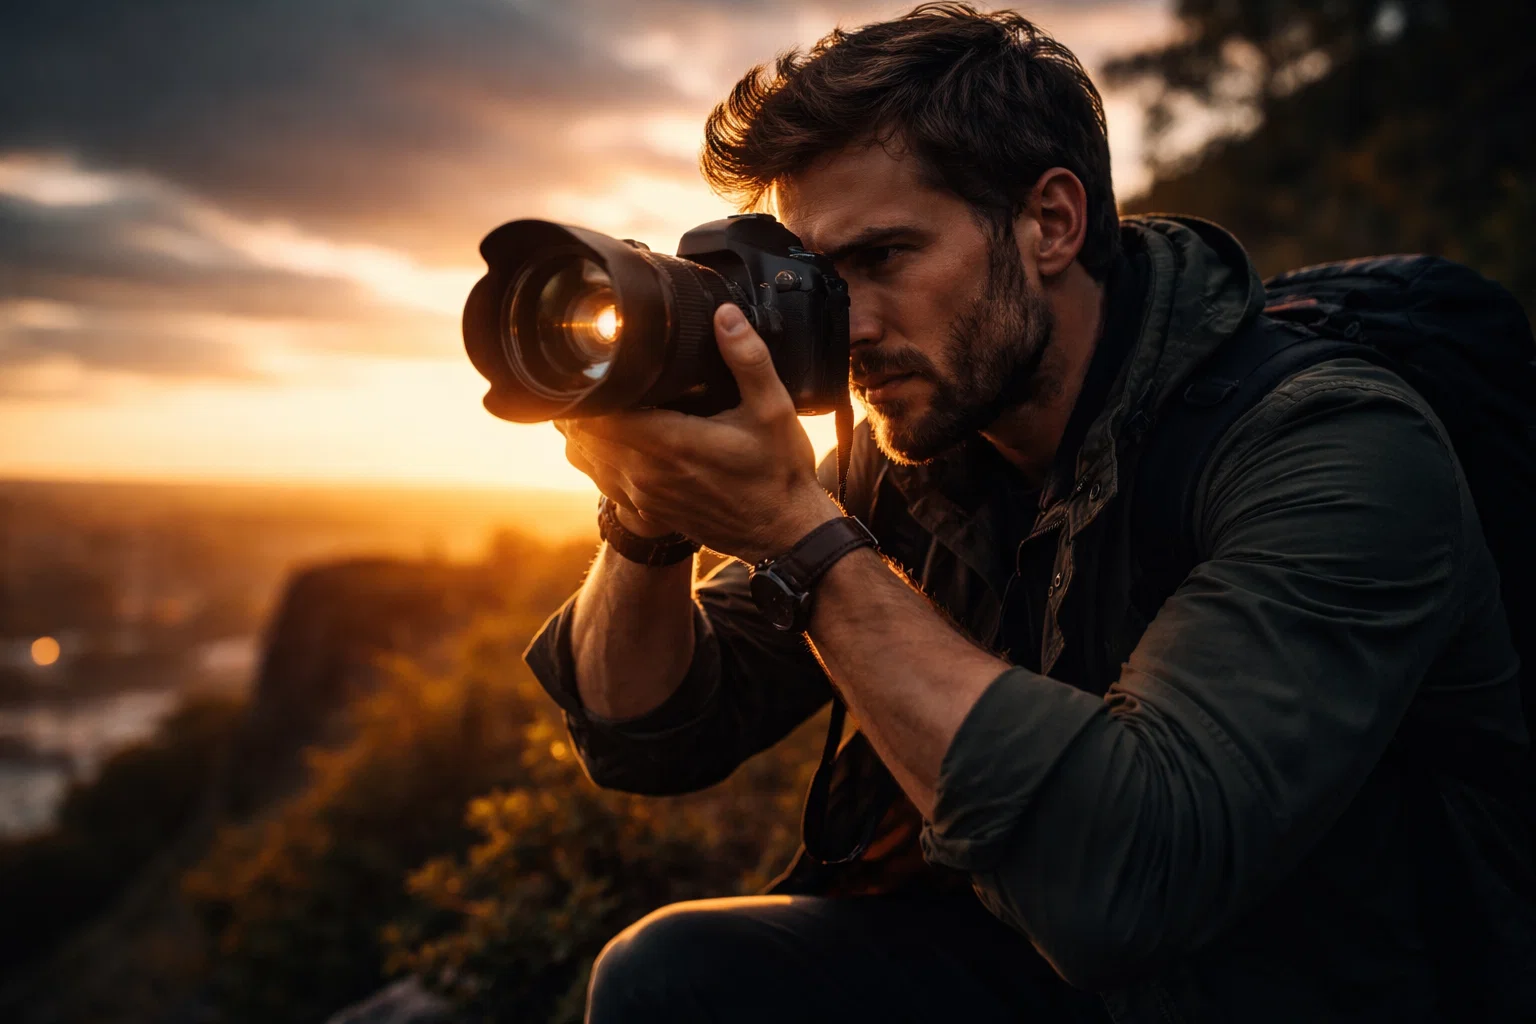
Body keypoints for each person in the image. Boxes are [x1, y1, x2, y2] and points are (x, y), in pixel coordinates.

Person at [526, 4, 1534, 1021]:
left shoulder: (1330, 446)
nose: (855, 327)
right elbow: (648, 731)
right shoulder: (916, 447)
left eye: (884, 259)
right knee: (675, 976)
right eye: (820, 279)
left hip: (1303, 978)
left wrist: (802, 537)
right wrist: (644, 520)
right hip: (1052, 961)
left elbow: (1133, 883)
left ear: (1052, 222)